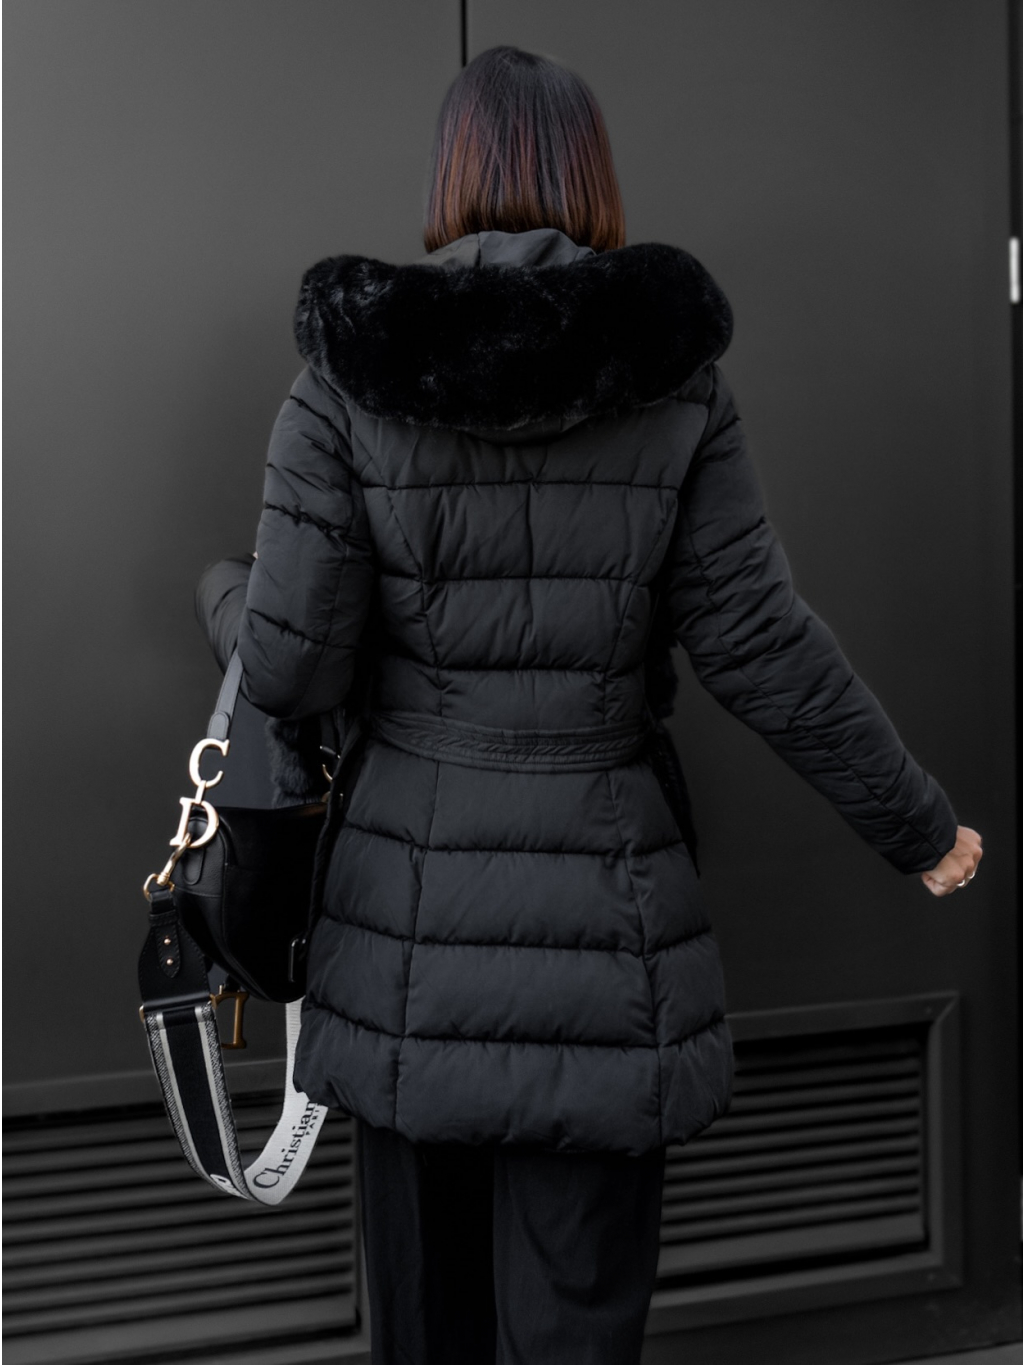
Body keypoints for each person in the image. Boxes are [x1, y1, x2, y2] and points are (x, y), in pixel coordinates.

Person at [196, 44, 982, 1365]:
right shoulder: (676, 382)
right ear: (588, 174)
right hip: (608, 939)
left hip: (402, 945)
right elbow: (760, 646)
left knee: (428, 1330)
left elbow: (288, 671)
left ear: (450, 175)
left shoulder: (346, 375)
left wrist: (222, 593)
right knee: (577, 1331)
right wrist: (920, 825)